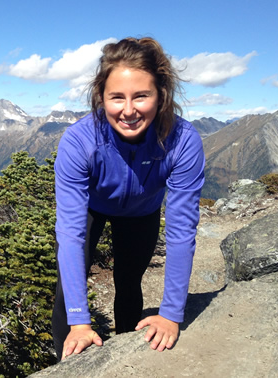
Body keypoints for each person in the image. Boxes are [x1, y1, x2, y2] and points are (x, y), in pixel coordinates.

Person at [52, 36, 205, 361]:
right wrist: (79, 321)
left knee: (129, 282)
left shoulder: (182, 141)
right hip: (94, 207)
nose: (129, 109)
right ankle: (64, 363)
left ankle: (127, 358)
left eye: (141, 96)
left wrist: (171, 313)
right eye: (116, 97)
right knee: (67, 296)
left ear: (161, 94)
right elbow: (70, 233)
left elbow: (181, 232)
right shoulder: (79, 142)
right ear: (101, 97)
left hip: (142, 212)